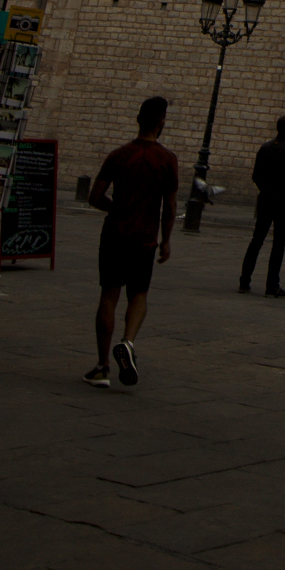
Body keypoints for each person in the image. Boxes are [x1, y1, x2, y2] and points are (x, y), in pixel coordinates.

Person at [86, 96, 178, 387]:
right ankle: (127, 342)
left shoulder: (118, 155)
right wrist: (166, 240)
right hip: (145, 238)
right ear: (161, 124)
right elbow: (170, 206)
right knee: (139, 294)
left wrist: (117, 208)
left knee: (109, 296)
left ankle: (102, 366)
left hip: (115, 235)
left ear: (138, 121)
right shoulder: (167, 160)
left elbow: (95, 196)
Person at [239, 112, 285, 297]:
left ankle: (244, 282)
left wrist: (265, 189)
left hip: (266, 198)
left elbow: (256, 175)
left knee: (256, 240)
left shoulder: (266, 147)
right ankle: (271, 286)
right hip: (284, 202)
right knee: (278, 244)